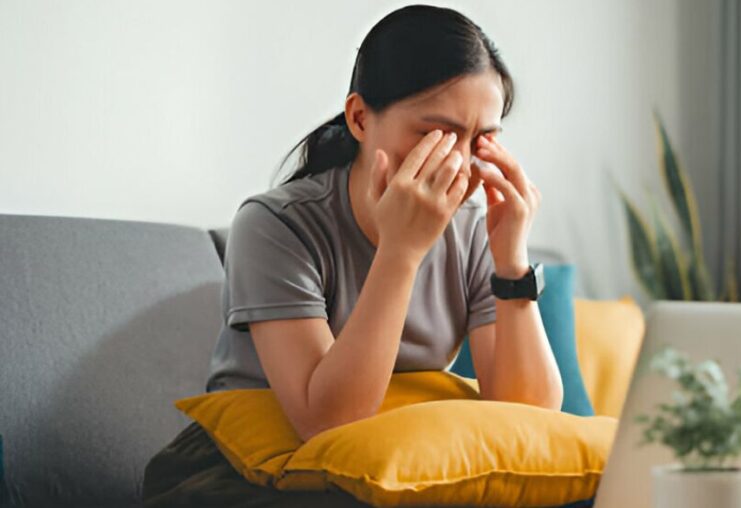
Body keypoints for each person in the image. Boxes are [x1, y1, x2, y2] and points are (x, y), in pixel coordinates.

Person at [141, 5, 563, 506]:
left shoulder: (471, 229)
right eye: (439, 134)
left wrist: (512, 263)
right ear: (360, 118)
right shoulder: (275, 226)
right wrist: (401, 252)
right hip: (250, 469)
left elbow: (531, 412)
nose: (462, 163)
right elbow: (328, 422)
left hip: (400, 461)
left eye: (483, 138)